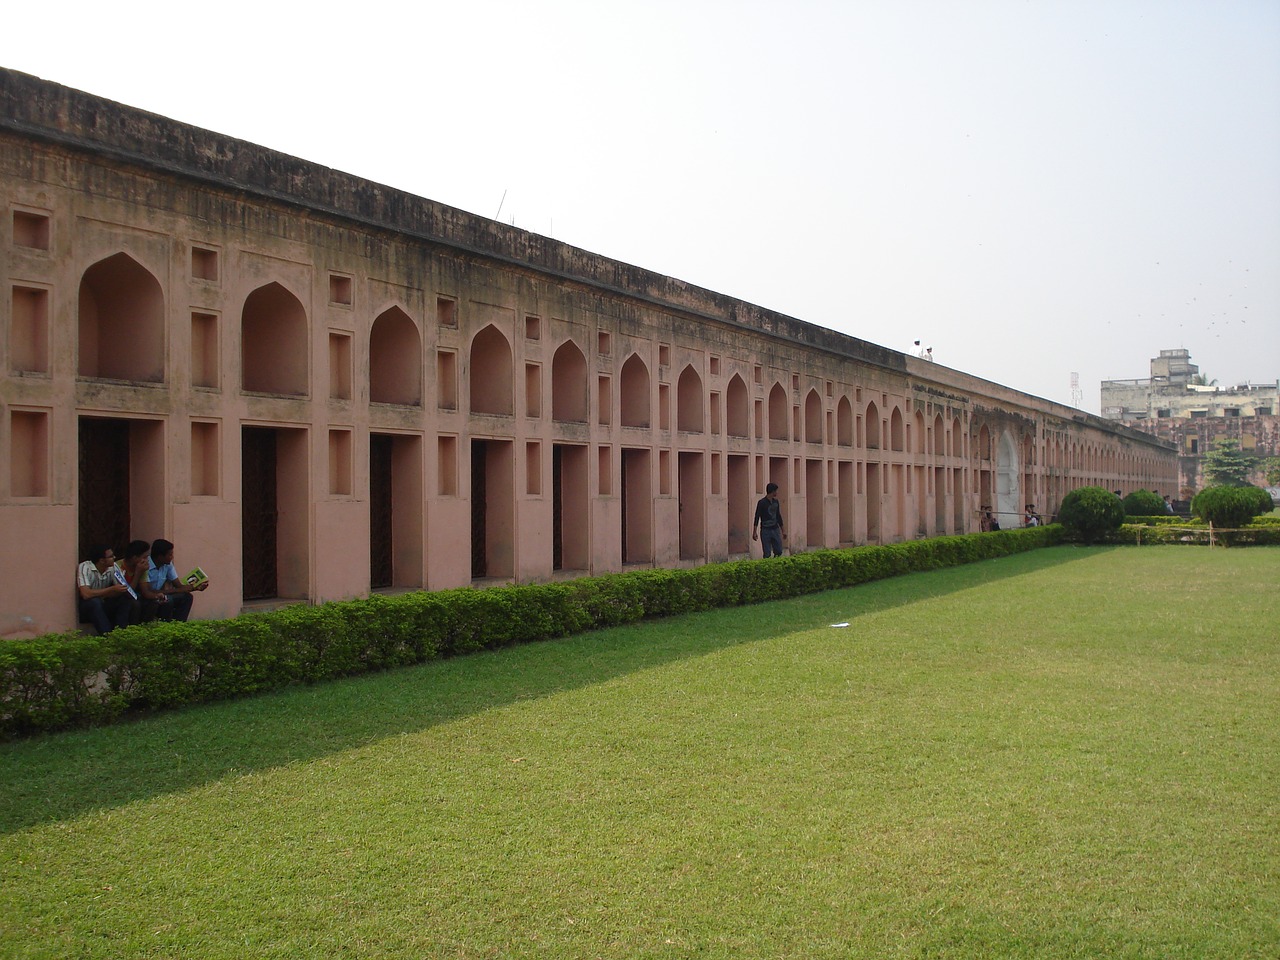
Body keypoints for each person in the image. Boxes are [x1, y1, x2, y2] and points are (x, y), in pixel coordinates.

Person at [143, 538, 207, 621]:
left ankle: (178, 624)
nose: (172, 557)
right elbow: (149, 591)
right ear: (160, 556)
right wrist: (178, 590)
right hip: (147, 597)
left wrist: (196, 588)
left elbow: (178, 586)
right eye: (169, 555)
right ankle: (164, 626)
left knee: (187, 597)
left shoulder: (168, 565)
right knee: (168, 599)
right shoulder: (145, 565)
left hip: (161, 595)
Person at [76, 544, 133, 634]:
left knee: (125, 600)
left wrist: (117, 590)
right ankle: (107, 636)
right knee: (94, 602)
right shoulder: (85, 567)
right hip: (87, 606)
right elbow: (86, 594)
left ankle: (120, 634)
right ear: (102, 560)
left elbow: (121, 588)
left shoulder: (113, 566)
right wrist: (111, 589)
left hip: (104, 602)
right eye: (110, 556)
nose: (114, 557)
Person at [752, 482, 786, 558]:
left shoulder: (776, 502)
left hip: (775, 529)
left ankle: (775, 565)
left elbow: (778, 516)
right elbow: (757, 517)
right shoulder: (762, 503)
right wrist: (754, 532)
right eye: (776, 491)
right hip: (765, 530)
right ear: (773, 491)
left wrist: (783, 530)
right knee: (767, 553)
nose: (777, 492)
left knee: (779, 551)